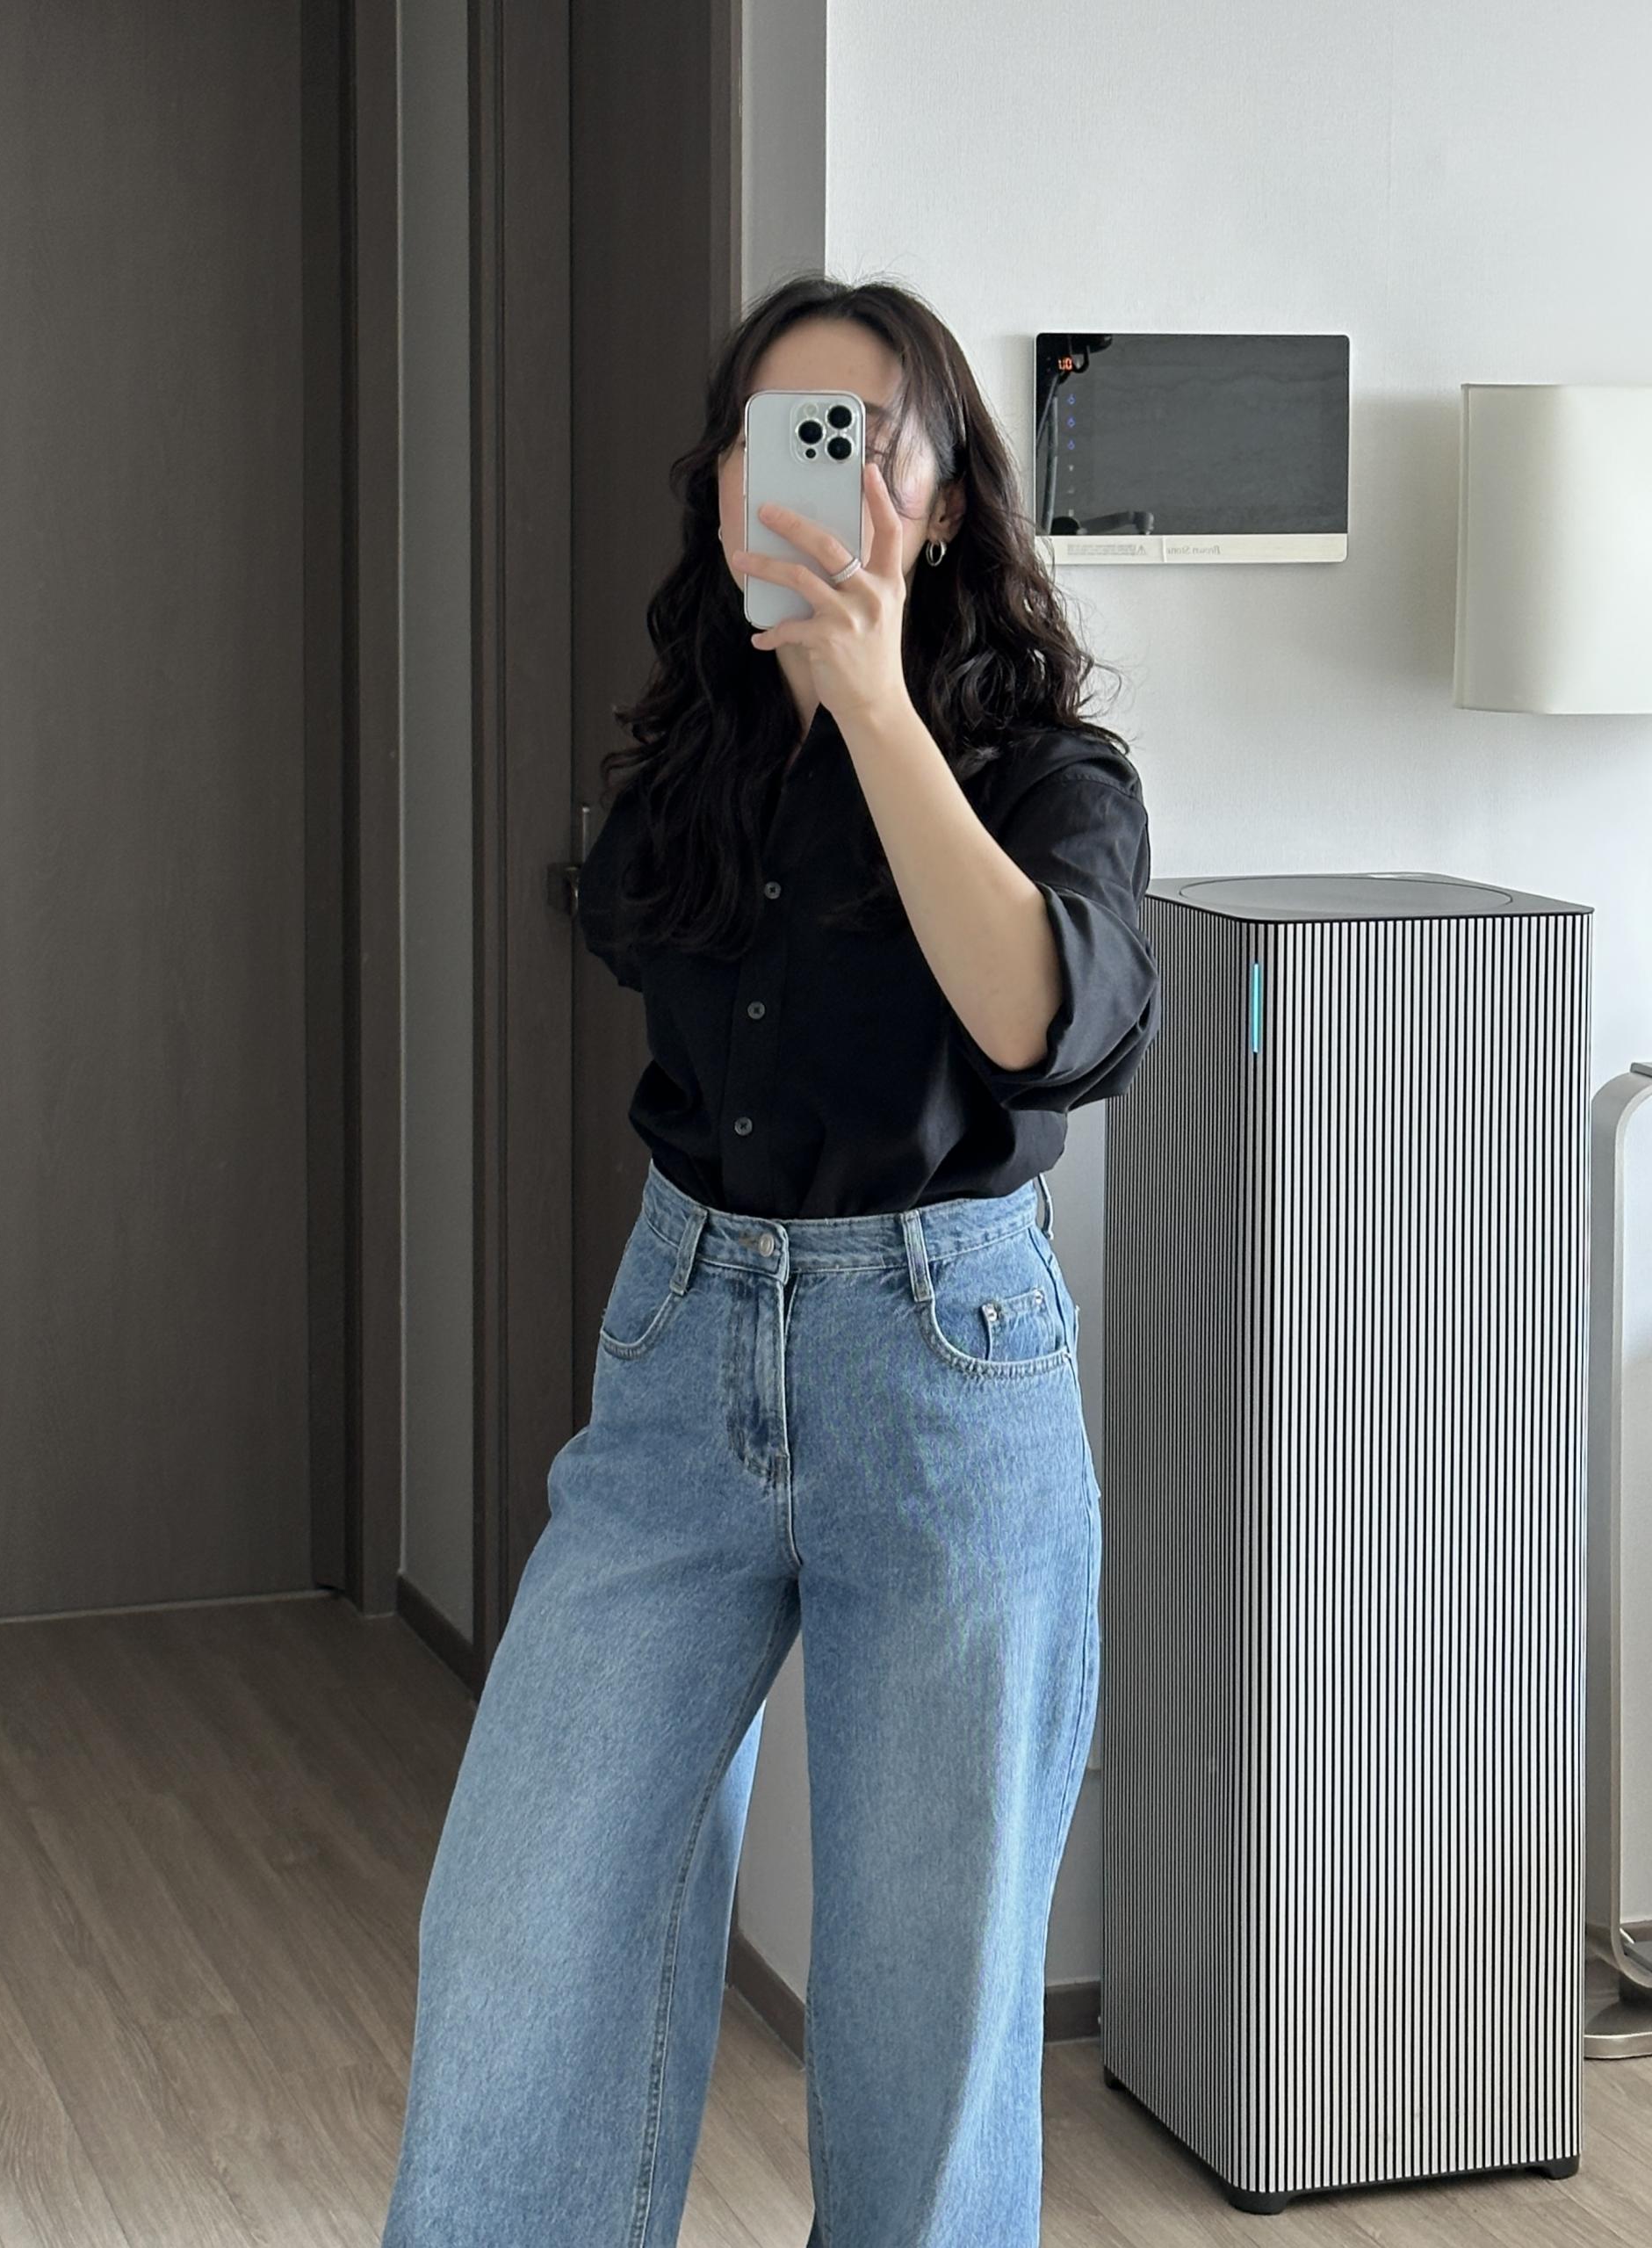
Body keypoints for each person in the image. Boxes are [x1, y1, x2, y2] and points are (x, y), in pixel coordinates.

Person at [379, 272, 1160, 2248]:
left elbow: (1044, 1021)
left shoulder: (1051, 774)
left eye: (858, 441)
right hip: (682, 1357)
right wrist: (790, 698)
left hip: (946, 1376)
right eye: (768, 438)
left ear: (946, 499)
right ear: (725, 484)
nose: (803, 475)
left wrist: (874, 698)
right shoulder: (696, 769)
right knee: (519, 1931)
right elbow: (634, 923)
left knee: (921, 2038)